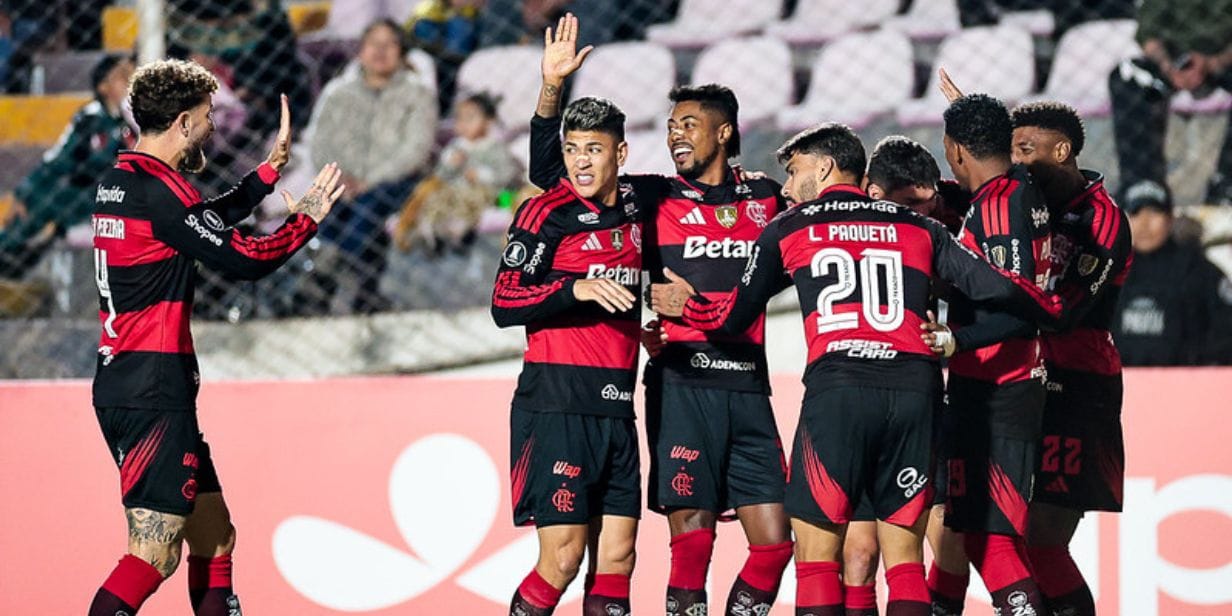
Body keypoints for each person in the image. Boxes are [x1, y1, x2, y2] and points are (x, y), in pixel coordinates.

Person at [651, 122, 1062, 616]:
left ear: (825, 167)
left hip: (839, 391)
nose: (787, 187)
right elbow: (996, 286)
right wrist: (1049, 305)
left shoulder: (790, 225)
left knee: (818, 559)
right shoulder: (920, 227)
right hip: (915, 391)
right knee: (905, 560)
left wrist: (686, 305)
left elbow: (733, 318)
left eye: (795, 171)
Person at [527, 15, 793, 616]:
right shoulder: (650, 196)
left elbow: (799, 252)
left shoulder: (766, 197)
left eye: (689, 125)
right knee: (693, 541)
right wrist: (551, 89)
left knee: (776, 545)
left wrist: (745, 296)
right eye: (671, 126)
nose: (676, 136)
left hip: (750, 384)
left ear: (724, 132)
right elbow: (552, 177)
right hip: (681, 382)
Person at [86, 59, 344, 616]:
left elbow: (193, 223)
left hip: (128, 380)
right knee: (154, 554)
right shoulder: (162, 192)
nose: (212, 128)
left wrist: (264, 178)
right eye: (207, 117)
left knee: (215, 538)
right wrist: (305, 220)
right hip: (153, 390)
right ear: (183, 122)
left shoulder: (121, 182)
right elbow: (245, 259)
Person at [491, 95, 644, 616]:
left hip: (617, 407)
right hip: (557, 404)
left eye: (593, 149)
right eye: (573, 148)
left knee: (618, 557)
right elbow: (503, 301)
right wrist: (575, 288)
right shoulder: (545, 212)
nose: (581, 160)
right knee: (563, 558)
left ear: (620, 154)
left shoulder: (637, 204)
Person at [920, 90, 1054, 616]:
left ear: (955, 150)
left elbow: (1022, 308)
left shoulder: (999, 206)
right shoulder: (1019, 186)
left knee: (992, 541)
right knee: (967, 534)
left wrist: (958, 340)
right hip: (995, 388)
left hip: (1001, 390)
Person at [1001, 100, 1135, 615]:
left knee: (1043, 540)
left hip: (1079, 387)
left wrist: (994, 290)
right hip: (1027, 380)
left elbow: (1064, 312)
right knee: (1008, 539)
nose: (1016, 161)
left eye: (1025, 149)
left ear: (1062, 151)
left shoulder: (1103, 220)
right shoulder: (1025, 205)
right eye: (1011, 150)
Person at [304, 18, 438, 313]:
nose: (380, 51)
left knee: (368, 207)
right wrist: (341, 178)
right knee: (328, 210)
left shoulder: (417, 93)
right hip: (341, 180)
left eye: (389, 44)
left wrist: (370, 180)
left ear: (401, 52)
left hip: (394, 180)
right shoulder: (338, 93)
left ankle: (331, 276)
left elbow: (415, 150)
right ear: (361, 50)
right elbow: (319, 143)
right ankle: (351, 288)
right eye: (373, 44)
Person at [1, 54, 135, 279]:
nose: (131, 81)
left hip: (121, 196)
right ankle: (12, 260)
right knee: (41, 203)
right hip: (87, 194)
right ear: (103, 87)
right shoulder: (90, 119)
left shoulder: (136, 119)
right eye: (123, 77)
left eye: (133, 74)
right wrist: (24, 193)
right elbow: (59, 159)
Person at [1109, 0, 1232, 205]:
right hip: (1174, 63)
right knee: (1127, 75)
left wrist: (1211, 63)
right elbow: (1147, 34)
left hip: (1223, 60)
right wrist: (1168, 67)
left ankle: (1226, 186)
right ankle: (1144, 186)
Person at [1113, 181, 1232, 364]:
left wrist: (1198, 363)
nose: (1144, 223)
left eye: (1154, 212)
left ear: (1169, 219)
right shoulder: (1107, 272)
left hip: (1187, 379)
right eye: (1135, 213)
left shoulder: (1199, 271)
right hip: (1116, 378)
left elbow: (1226, 330)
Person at [393, 92, 519, 254]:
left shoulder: (494, 148)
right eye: (459, 119)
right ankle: (429, 230)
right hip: (452, 188)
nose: (463, 124)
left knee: (473, 200)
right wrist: (451, 165)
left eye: (470, 118)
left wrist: (480, 175)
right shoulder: (456, 145)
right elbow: (440, 174)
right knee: (435, 197)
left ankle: (458, 230)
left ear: (488, 122)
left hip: (482, 191)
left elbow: (506, 173)